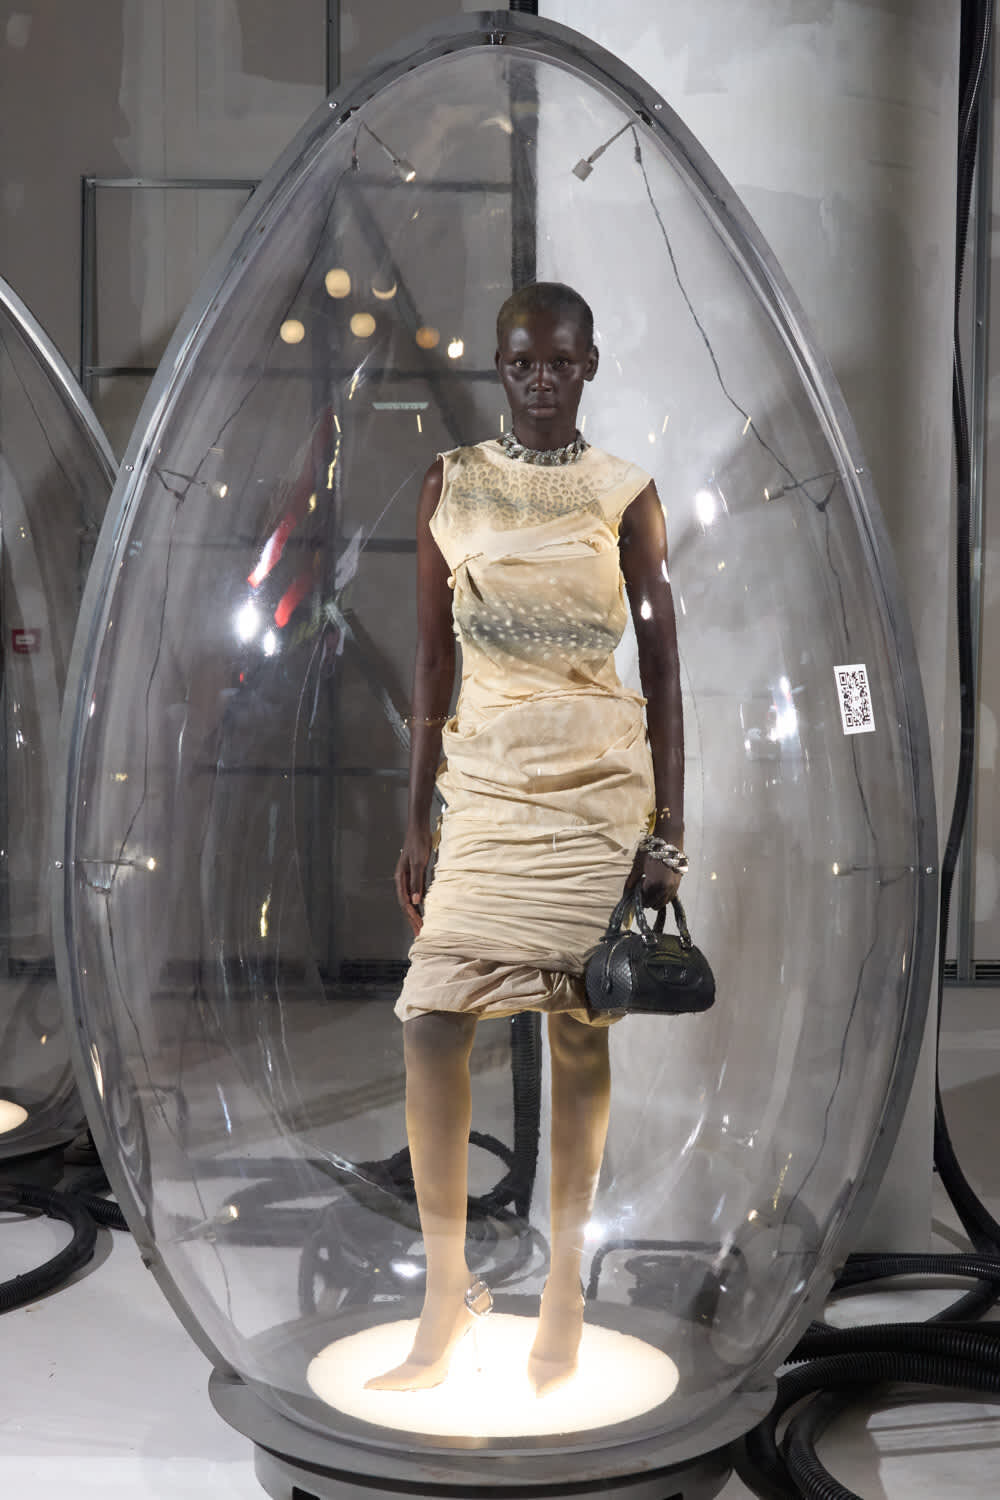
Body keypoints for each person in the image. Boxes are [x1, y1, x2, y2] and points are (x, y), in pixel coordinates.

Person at [366, 282, 685, 1397]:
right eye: (520, 362)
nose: (540, 380)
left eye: (558, 361)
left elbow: (663, 670)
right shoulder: (449, 485)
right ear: (499, 368)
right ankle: (444, 1291)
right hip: (489, 792)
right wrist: (417, 818)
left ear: (588, 365)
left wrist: (669, 833)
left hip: (596, 792)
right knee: (430, 1021)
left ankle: (563, 1291)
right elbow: (431, 662)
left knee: (579, 1033)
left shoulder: (625, 493)